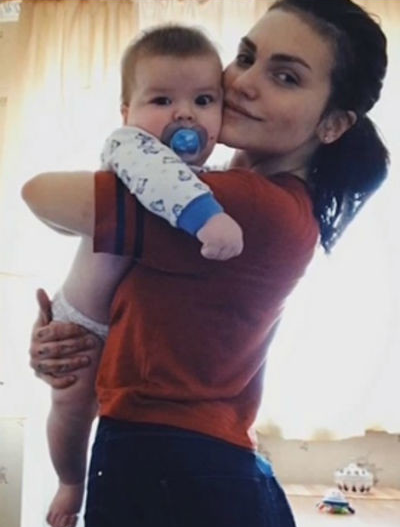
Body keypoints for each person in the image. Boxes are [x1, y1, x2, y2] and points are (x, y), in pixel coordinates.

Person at [25, 0, 389, 525]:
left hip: (166, 463)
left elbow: (43, 195)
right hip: (195, 462)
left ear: (332, 124)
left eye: (285, 76)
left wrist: (129, 146)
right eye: (246, 57)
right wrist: (73, 341)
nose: (244, 83)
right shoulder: (263, 199)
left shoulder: (237, 206)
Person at [23, 24, 245, 527]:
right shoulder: (131, 149)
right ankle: (70, 481)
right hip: (84, 322)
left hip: (132, 337)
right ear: (126, 113)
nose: (184, 114)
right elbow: (163, 183)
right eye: (162, 100)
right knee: (72, 408)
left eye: (204, 100)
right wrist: (207, 219)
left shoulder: (213, 176)